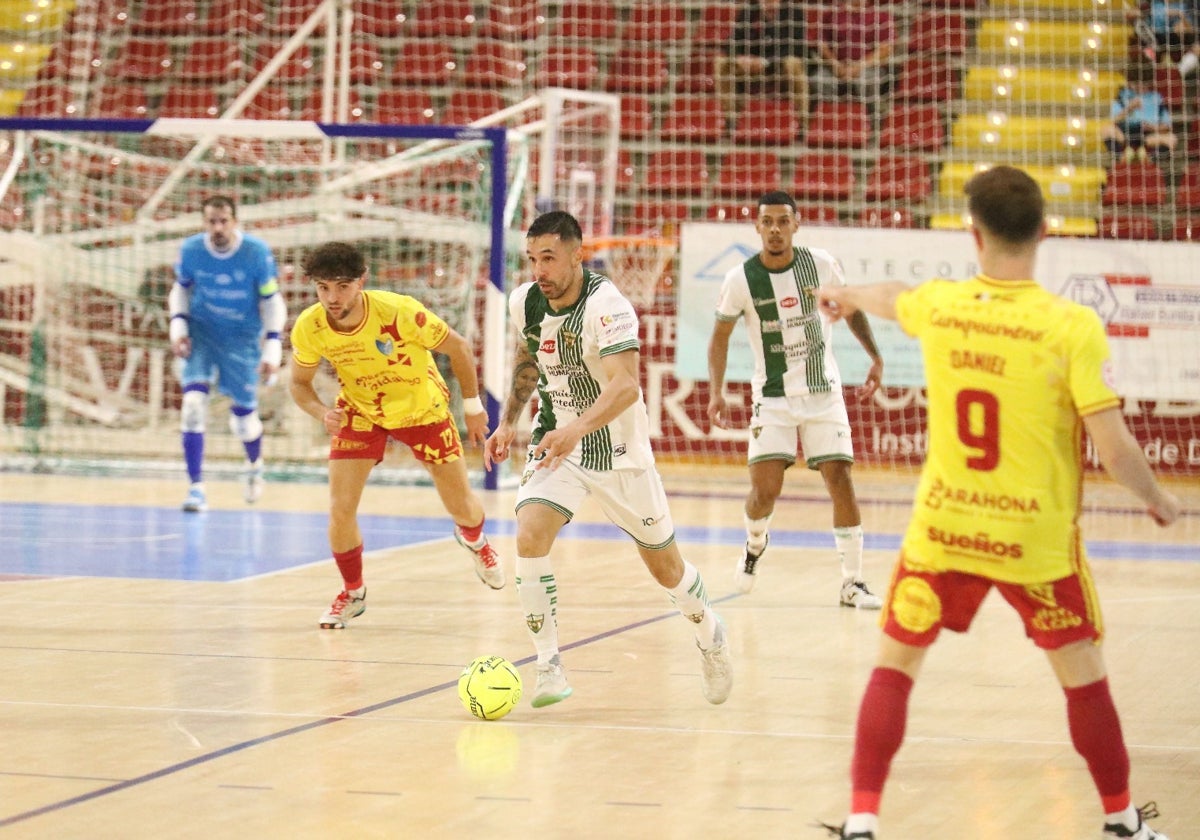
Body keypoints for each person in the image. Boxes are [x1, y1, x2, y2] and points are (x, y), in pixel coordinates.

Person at [813, 165, 1180, 840]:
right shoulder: (1071, 325)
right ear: (1044, 232)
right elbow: (1114, 445)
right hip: (1033, 540)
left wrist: (844, 295)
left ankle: (862, 818)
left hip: (945, 527)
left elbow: (894, 296)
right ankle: (1122, 820)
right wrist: (1158, 500)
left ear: (971, 234)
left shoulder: (946, 306)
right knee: (1084, 678)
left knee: (894, 666)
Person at [484, 211, 732, 708]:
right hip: (557, 443)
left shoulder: (608, 306)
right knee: (529, 535)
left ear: (578, 255)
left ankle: (709, 633)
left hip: (619, 453)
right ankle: (548, 666)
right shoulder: (525, 302)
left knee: (667, 570)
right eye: (532, 259)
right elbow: (529, 358)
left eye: (549, 258)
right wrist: (509, 419)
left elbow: (625, 385)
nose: (539, 270)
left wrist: (576, 430)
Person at [288, 241, 504, 629]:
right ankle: (352, 592)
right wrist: (322, 412)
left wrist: (472, 409)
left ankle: (475, 540)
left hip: (422, 409)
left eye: (342, 286)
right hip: (362, 410)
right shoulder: (311, 326)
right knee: (340, 509)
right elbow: (299, 385)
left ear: (361, 282)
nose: (332, 298)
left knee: (463, 508)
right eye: (323, 288)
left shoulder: (399, 312)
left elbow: (459, 348)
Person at [707, 190, 884, 610]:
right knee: (765, 492)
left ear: (796, 224)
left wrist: (875, 357)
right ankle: (754, 544)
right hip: (773, 399)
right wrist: (716, 390)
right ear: (757, 227)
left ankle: (852, 582)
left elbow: (852, 309)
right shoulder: (739, 280)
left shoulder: (820, 264)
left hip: (823, 393)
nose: (774, 229)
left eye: (782, 221)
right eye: (766, 221)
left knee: (840, 478)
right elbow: (719, 336)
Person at [169, 195, 286, 512]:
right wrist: (178, 327)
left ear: (235, 222)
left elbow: (272, 301)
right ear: (203, 223)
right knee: (192, 405)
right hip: (202, 332)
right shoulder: (192, 250)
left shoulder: (256, 253)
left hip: (242, 338)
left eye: (224, 221)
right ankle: (196, 488)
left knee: (245, 420)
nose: (218, 227)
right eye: (211, 221)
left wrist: (273, 344)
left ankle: (253, 466)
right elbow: (181, 288)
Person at [714, 0, 810, 131]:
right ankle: (731, 119)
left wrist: (766, 62)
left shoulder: (794, 12)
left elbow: (796, 47)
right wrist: (740, 58)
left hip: (778, 67)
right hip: (751, 66)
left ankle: (802, 123)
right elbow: (733, 41)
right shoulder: (749, 10)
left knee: (793, 63)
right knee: (721, 62)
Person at [811, 0, 896, 114]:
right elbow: (822, 44)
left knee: (865, 81)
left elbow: (886, 48)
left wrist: (858, 66)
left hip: (869, 67)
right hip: (837, 67)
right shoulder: (832, 13)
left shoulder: (881, 15)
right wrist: (836, 65)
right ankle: (829, 117)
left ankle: (874, 120)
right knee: (818, 80)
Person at [1102, 58, 1177, 164]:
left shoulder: (1156, 98)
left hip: (1148, 134)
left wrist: (1153, 127)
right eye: (1135, 84)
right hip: (1125, 133)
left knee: (1171, 139)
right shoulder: (1122, 96)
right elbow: (1113, 120)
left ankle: (1148, 157)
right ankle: (1123, 155)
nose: (1139, 87)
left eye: (1143, 84)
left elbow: (1167, 125)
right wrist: (1129, 108)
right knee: (1106, 130)